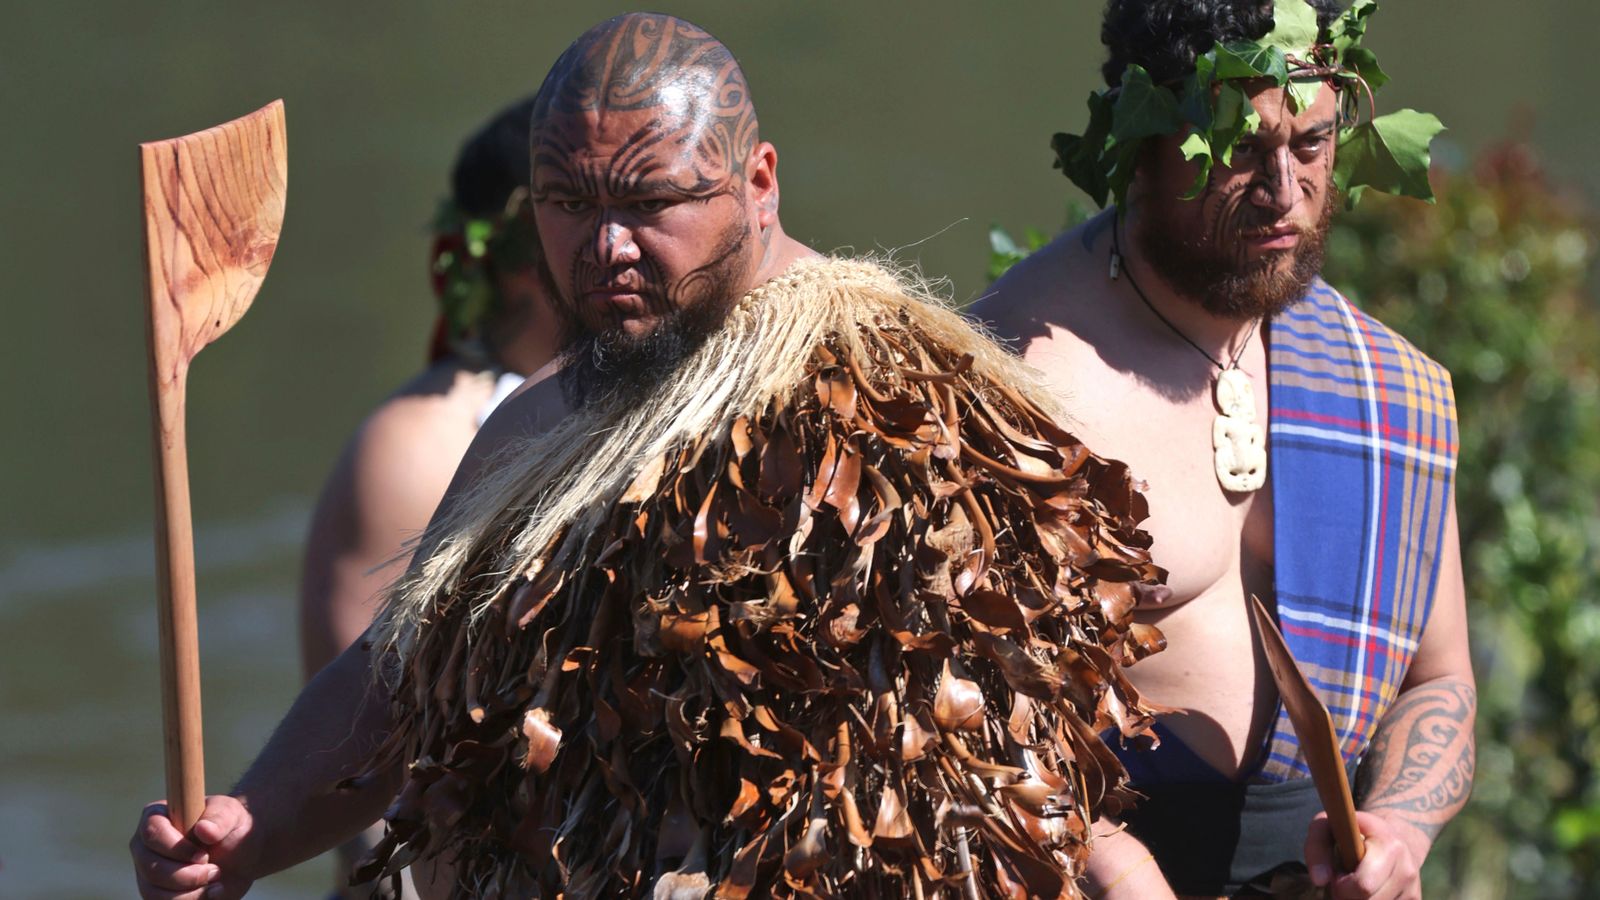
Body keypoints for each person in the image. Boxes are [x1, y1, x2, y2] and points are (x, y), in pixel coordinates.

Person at [133, 14, 1168, 899]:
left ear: (757, 182)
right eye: (570, 204)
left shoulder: (900, 403)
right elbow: (407, 675)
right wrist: (250, 827)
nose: (606, 248)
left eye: (650, 202)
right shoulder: (542, 425)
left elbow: (1008, 770)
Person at [975, 1, 1475, 897]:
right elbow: (928, 702)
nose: (1284, 192)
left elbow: (1439, 681)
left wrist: (1399, 822)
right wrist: (1114, 868)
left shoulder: (1384, 383)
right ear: (1143, 143)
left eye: (1314, 145)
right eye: (1240, 152)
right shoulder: (1018, 377)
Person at [297, 98, 561, 900]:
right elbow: (368, 777)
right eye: (581, 208)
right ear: (524, 249)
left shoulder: (633, 400)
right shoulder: (419, 446)